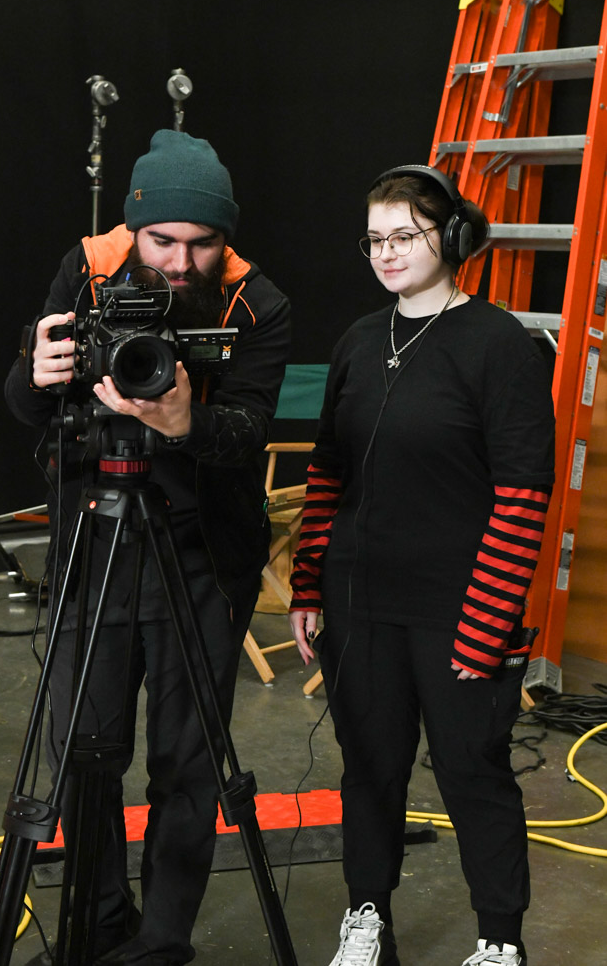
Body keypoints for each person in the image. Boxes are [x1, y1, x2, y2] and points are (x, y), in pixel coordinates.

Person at [5, 129, 290, 966]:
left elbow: (251, 431)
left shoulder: (256, 302)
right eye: (163, 240)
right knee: (85, 752)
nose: (180, 261)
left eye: (203, 243)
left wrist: (188, 422)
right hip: (94, 541)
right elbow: (25, 402)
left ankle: (162, 943)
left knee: (187, 758)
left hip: (202, 550)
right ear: (135, 230)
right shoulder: (86, 267)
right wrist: (37, 371)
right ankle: (96, 924)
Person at [289, 165, 555, 966]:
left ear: (453, 236)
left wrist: (485, 626)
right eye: (375, 239)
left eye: (404, 235)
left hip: (460, 607)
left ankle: (499, 941)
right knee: (370, 767)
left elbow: (522, 496)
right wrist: (307, 582)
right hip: (360, 602)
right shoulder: (358, 341)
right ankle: (367, 916)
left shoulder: (501, 345)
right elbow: (328, 470)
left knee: (473, 773)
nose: (387, 252)